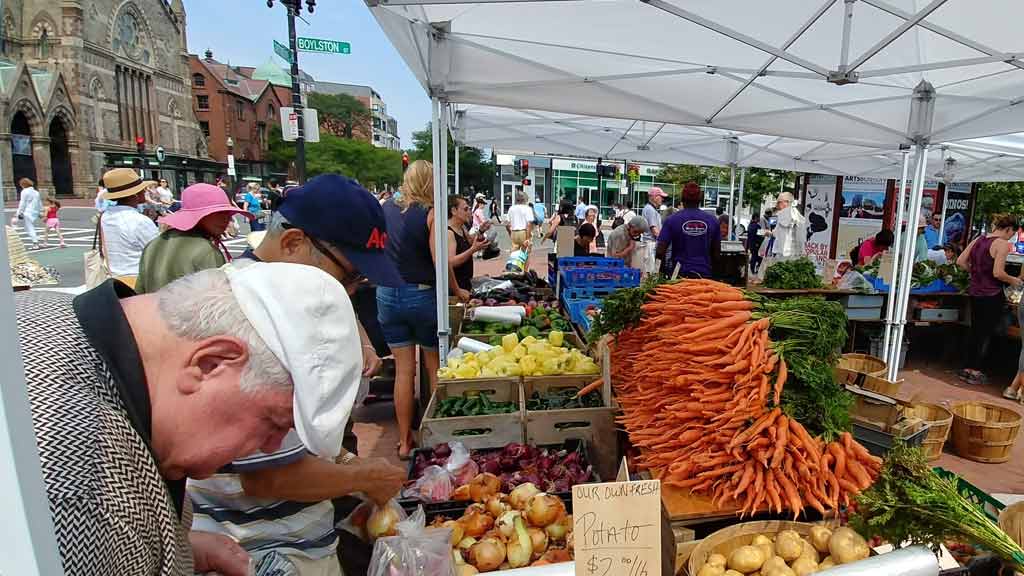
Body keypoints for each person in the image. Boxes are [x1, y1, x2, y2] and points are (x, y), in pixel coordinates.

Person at [15, 262, 362, 575]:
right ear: (211, 363)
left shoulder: (46, 311)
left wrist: (177, 550)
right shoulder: (89, 498)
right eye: (273, 423)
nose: (271, 447)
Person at [191, 175, 407, 576]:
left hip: (288, 539)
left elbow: (285, 447)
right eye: (349, 277)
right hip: (260, 551)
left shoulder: (265, 302)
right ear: (293, 244)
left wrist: (343, 462)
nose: (350, 292)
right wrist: (361, 476)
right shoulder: (250, 324)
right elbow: (269, 478)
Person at [380, 160, 468, 459]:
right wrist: (457, 291)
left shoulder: (385, 209)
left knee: (404, 372)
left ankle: (405, 442)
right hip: (420, 295)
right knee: (433, 367)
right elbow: (439, 262)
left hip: (387, 295)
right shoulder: (430, 214)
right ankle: (433, 437)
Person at [135, 183, 252, 294]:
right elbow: (217, 302)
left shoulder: (153, 244)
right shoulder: (206, 250)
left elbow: (140, 291)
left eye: (227, 214)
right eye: (218, 214)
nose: (226, 220)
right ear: (199, 217)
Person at [956, 214, 1023, 388]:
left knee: (975, 329)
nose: (1011, 238)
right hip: (991, 294)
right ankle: (976, 371)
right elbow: (998, 273)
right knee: (985, 333)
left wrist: (974, 272)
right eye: (1012, 234)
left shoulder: (979, 239)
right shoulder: (1002, 245)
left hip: (975, 291)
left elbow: (960, 261)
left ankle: (967, 368)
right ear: (1008, 229)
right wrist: (1013, 280)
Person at [99, 168, 160, 287]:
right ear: (136, 195)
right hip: (138, 282)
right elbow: (156, 254)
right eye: (143, 189)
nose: (145, 191)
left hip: (114, 280)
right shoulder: (140, 221)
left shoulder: (105, 216)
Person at [656, 182, 720, 278]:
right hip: (705, 275)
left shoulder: (672, 220)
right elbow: (717, 252)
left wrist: (660, 273)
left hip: (679, 275)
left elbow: (660, 251)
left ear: (682, 199)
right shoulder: (712, 220)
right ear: (700, 200)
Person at [448, 195, 490, 291]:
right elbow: (451, 262)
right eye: (466, 209)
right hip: (456, 288)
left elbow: (470, 241)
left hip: (465, 283)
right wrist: (473, 250)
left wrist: (480, 231)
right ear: (454, 211)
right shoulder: (449, 233)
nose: (469, 212)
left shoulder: (462, 227)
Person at [767, 192, 806, 259]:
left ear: (786, 202)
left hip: (786, 253)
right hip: (793, 253)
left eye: (779, 202)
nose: (777, 205)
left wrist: (769, 233)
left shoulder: (786, 215)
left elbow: (779, 234)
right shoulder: (796, 215)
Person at [15, 177, 42, 249]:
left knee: (29, 227)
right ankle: (35, 241)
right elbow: (39, 203)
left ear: (23, 184)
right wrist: (40, 212)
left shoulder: (24, 191)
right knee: (29, 227)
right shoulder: (36, 192)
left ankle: (35, 243)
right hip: (35, 211)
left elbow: (22, 203)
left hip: (28, 211)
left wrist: (19, 212)